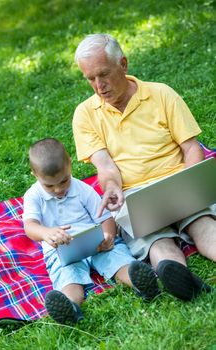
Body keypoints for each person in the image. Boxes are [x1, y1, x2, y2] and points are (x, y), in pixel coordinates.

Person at [72, 33, 215, 301]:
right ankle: (180, 279)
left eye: (103, 74)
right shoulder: (85, 114)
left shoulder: (161, 94)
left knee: (204, 224)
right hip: (134, 196)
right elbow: (105, 167)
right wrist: (112, 187)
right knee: (155, 240)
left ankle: (182, 264)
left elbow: (191, 148)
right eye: (90, 78)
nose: (98, 85)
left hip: (177, 179)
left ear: (123, 64)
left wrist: (189, 183)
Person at [22, 138, 160, 325]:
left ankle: (143, 283)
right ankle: (69, 307)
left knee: (117, 260)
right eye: (49, 186)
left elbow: (105, 218)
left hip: (96, 242)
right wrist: (46, 233)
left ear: (69, 164)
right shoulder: (33, 196)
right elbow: (30, 226)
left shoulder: (82, 189)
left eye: (64, 181)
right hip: (62, 251)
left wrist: (108, 237)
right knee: (68, 278)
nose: (58, 189)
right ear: (34, 174)